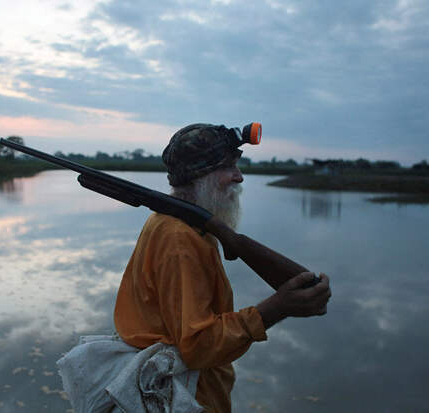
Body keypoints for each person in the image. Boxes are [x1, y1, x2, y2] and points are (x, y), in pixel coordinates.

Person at [113, 123, 332, 412]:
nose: (239, 177)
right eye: (229, 167)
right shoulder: (179, 238)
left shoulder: (184, 227)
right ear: (200, 176)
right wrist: (276, 308)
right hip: (189, 397)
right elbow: (197, 345)